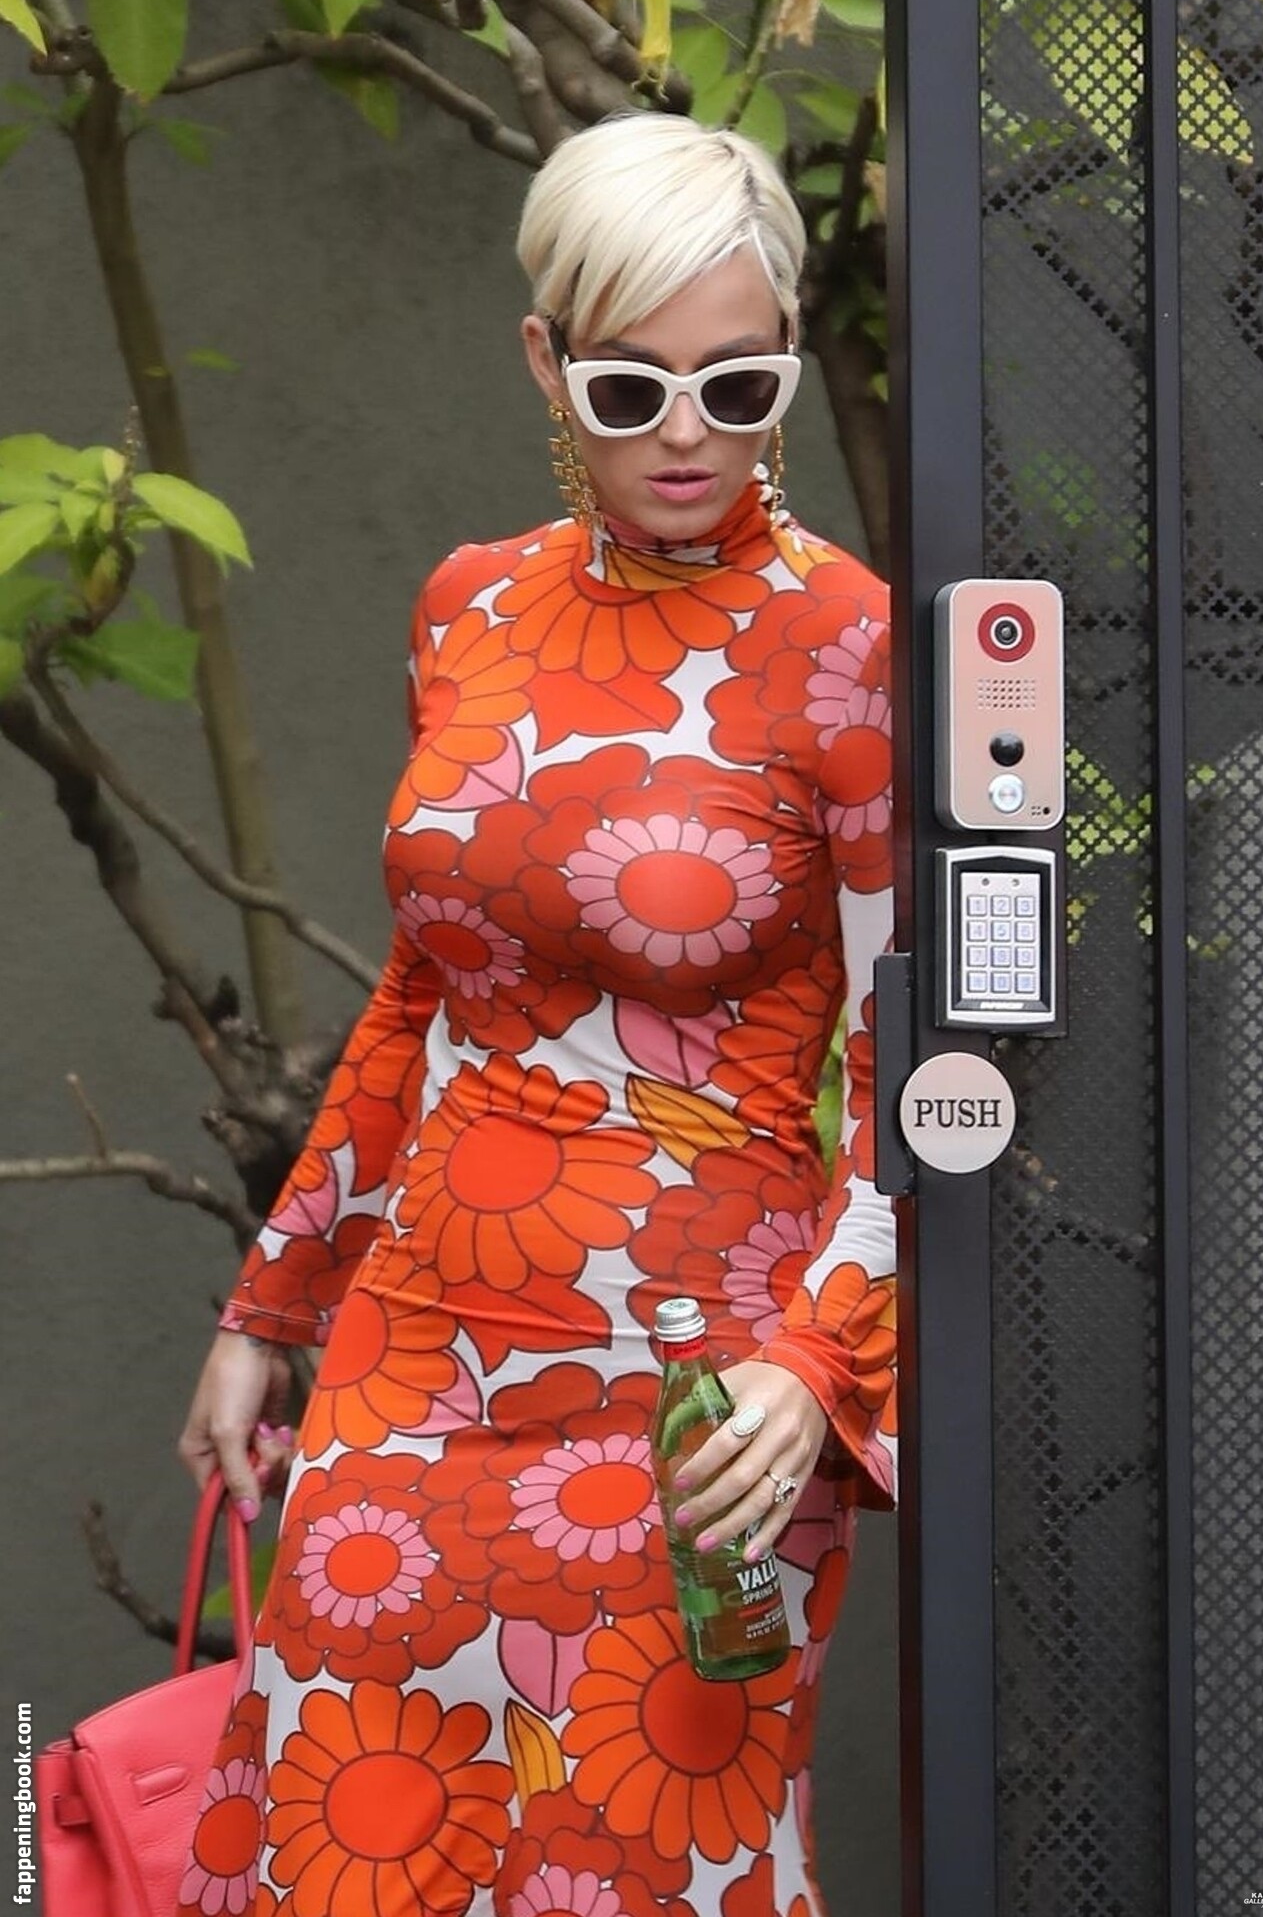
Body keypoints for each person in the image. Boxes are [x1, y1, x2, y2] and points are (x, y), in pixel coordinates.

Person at [176, 110, 897, 1917]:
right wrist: (274, 1303)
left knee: (639, 1861)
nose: (686, 435)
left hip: (701, 1391)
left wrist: (818, 1368)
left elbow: (917, 1064)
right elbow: (425, 990)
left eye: (740, 387)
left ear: (787, 361)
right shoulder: (469, 609)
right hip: (415, 1354)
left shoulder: (854, 645)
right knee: (354, 1843)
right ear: (544, 360)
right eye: (630, 385)